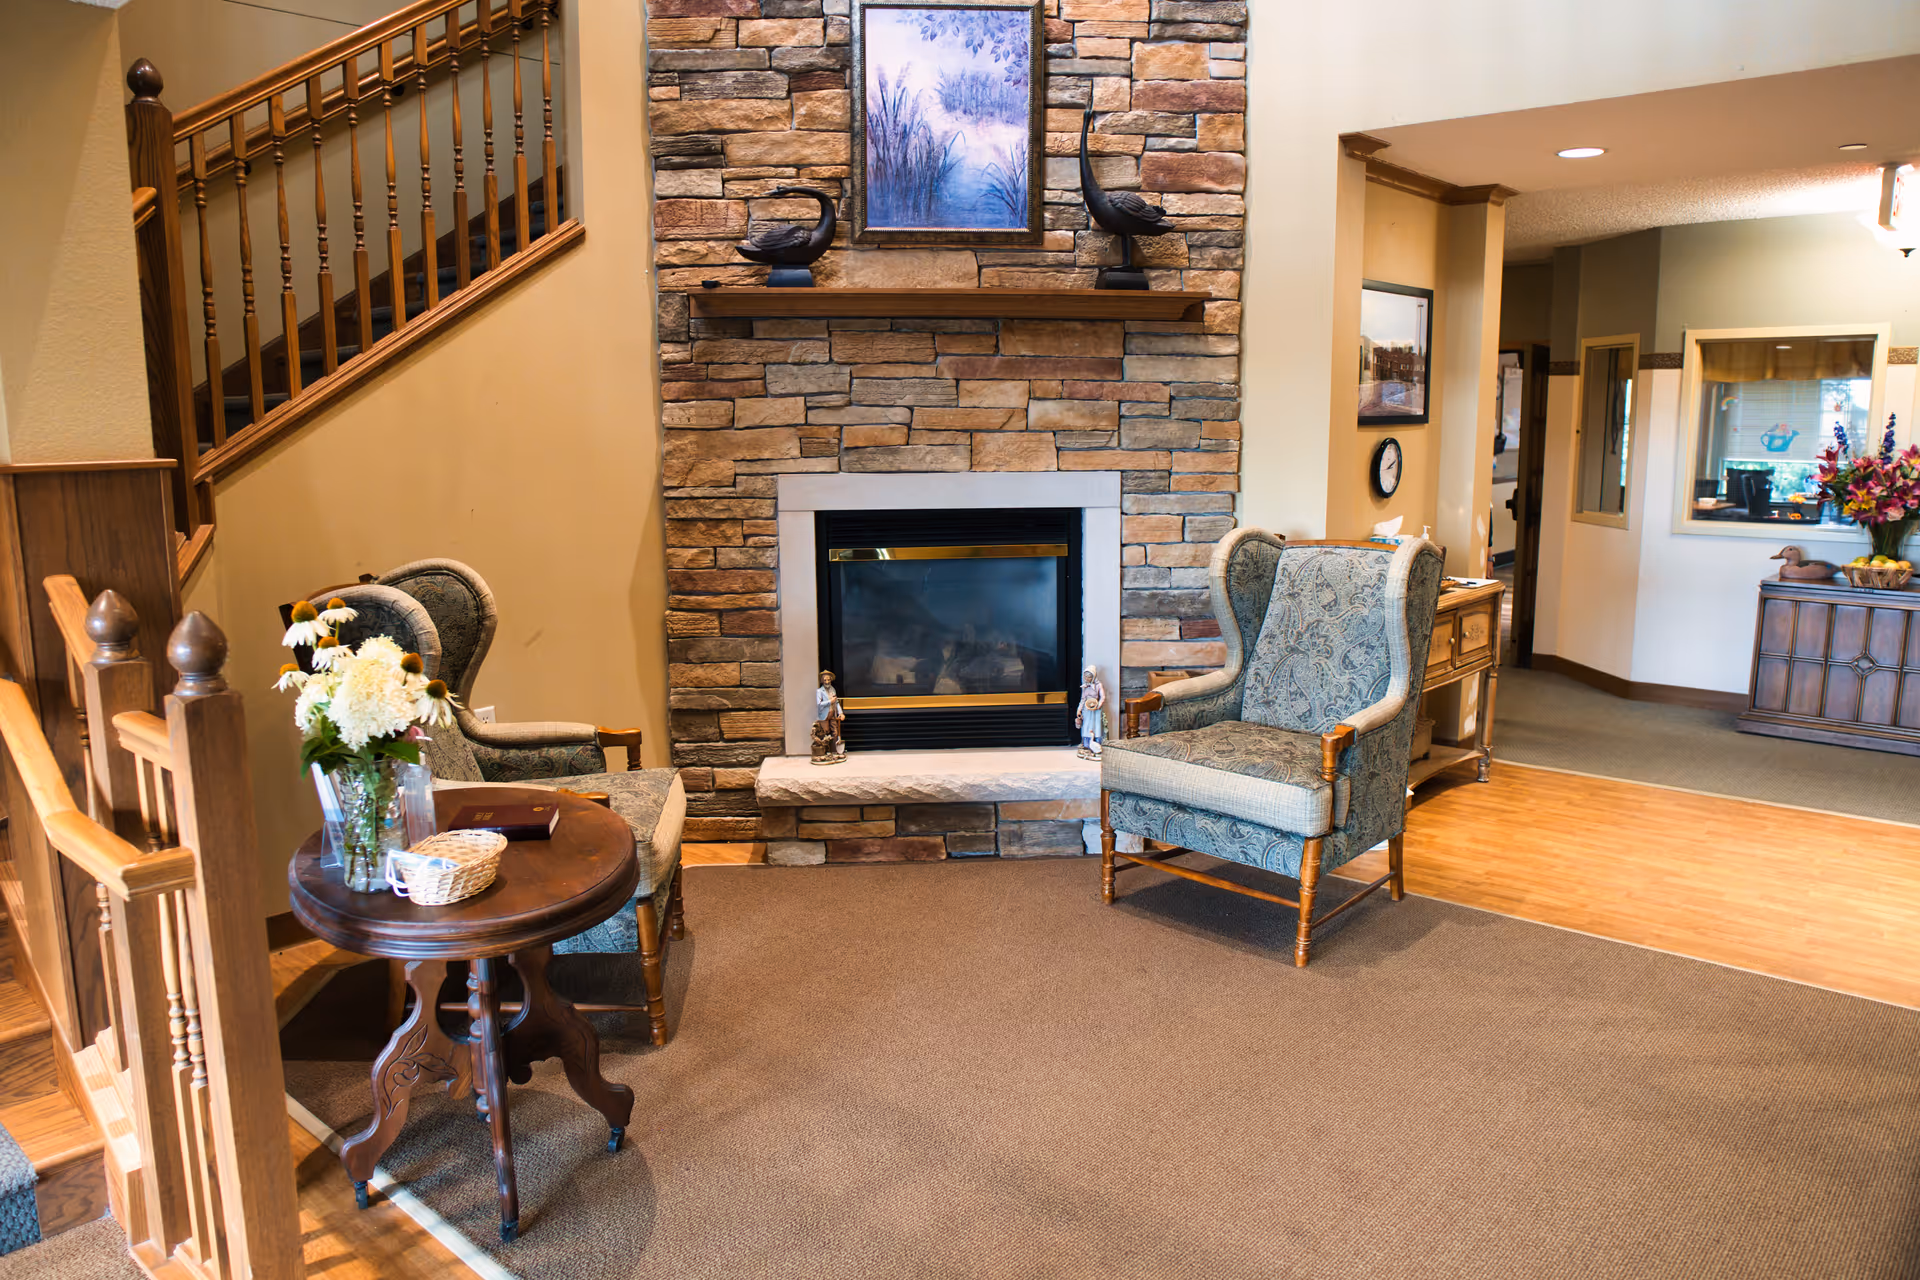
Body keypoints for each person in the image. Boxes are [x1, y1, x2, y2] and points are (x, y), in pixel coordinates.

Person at [811, 669, 847, 765]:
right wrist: (829, 702)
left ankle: (835, 752)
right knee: (825, 734)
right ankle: (825, 752)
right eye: (825, 680)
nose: (827, 682)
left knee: (835, 732)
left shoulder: (832, 689)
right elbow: (819, 704)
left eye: (828, 680)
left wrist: (841, 713)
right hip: (824, 716)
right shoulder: (819, 691)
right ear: (822, 681)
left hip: (833, 715)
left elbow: (837, 702)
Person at [1075, 665, 1106, 760]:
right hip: (1087, 709)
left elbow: (1103, 697)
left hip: (1095, 709)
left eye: (1089, 677)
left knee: (1096, 725)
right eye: (1085, 676)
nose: (1087, 679)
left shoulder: (1098, 685)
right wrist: (1079, 709)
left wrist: (1098, 705)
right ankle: (1086, 744)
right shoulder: (1085, 687)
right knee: (1087, 725)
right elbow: (1083, 699)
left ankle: (1096, 743)